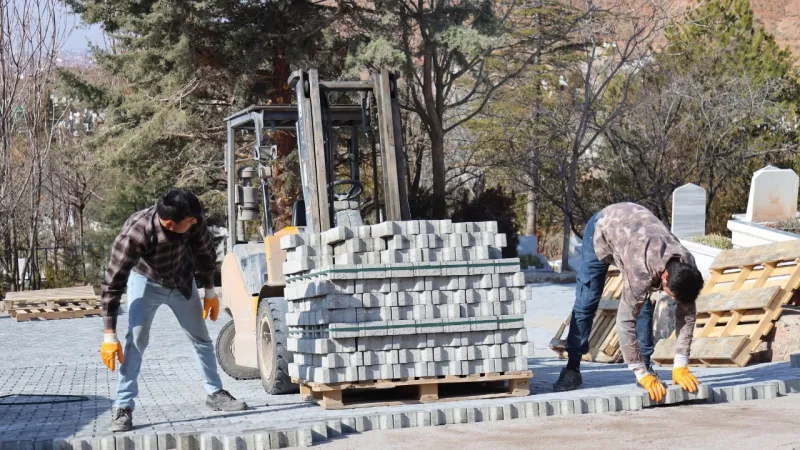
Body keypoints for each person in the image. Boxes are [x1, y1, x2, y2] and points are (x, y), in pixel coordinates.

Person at [99, 188, 247, 433]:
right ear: (169, 223)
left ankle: (215, 392)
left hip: (181, 281)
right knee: (136, 341)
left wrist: (210, 290)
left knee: (201, 338)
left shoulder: (191, 216)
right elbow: (113, 283)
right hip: (145, 283)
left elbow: (204, 252)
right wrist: (108, 334)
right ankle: (123, 406)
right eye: (189, 222)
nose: (195, 224)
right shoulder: (136, 233)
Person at [553, 202, 705, 402]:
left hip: (636, 228)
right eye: (673, 295)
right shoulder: (641, 270)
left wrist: (681, 363)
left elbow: (687, 313)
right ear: (665, 277)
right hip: (603, 226)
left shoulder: (687, 264)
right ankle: (572, 368)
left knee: (644, 303)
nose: (674, 300)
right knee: (588, 300)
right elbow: (624, 322)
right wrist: (639, 373)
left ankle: (647, 365)